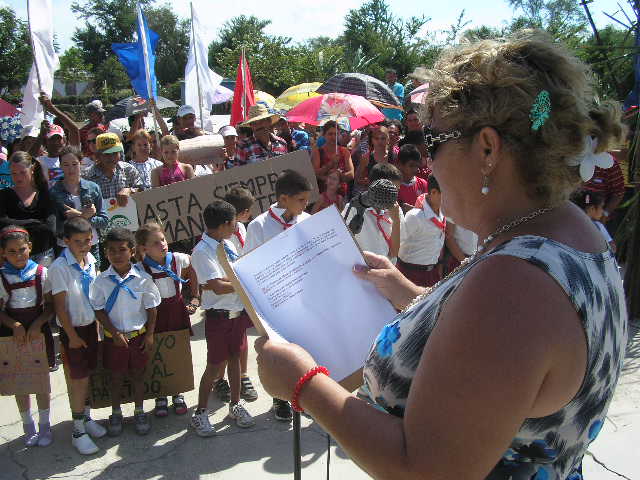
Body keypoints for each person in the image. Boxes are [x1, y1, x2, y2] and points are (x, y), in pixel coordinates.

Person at [254, 30, 628, 480]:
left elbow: (425, 470)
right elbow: (494, 350)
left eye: (434, 142)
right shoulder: (571, 231)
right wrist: (409, 293)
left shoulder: (515, 283)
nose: (428, 164)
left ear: (487, 148)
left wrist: (304, 383)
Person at [245, 170, 312, 422]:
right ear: (283, 199)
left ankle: (305, 396)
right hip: (273, 300)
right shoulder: (259, 226)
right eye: (301, 200)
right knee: (278, 350)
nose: (305, 205)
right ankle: (280, 399)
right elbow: (249, 264)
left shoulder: (307, 220)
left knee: (305, 347)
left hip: (304, 297)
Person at [190, 200, 256, 436]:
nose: (236, 226)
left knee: (235, 359)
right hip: (218, 318)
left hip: (236, 314)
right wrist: (244, 283)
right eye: (234, 223)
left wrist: (234, 281)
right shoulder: (202, 251)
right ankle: (200, 412)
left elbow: (234, 274)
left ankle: (235, 405)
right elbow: (218, 286)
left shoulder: (226, 245)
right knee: (214, 364)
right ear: (225, 224)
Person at [90, 228, 161, 437]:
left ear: (132, 251)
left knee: (138, 375)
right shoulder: (101, 281)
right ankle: (116, 412)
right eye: (111, 250)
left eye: (122, 250)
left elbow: (152, 308)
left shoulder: (143, 278)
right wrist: (113, 332)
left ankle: (139, 411)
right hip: (113, 340)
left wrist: (150, 335)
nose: (117, 255)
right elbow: (98, 309)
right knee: (115, 377)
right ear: (105, 253)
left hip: (138, 337)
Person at [48, 217, 106, 454]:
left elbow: (95, 294)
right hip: (73, 331)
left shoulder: (90, 259)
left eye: (87, 240)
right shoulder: (59, 268)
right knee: (78, 379)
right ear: (66, 241)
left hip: (90, 326)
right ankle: (78, 431)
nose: (84, 246)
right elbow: (60, 307)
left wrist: (99, 326)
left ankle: (87, 417)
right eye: (78, 241)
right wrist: (71, 336)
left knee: (89, 373)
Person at [0, 227, 54, 446]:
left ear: (30, 247)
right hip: (14, 335)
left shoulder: (42, 273)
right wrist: (14, 325)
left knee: (41, 381)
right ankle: (27, 425)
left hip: (38, 332)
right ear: (3, 253)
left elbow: (50, 306)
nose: (18, 255)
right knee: (19, 381)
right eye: (11, 251)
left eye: (22, 249)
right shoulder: (2, 276)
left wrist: (38, 324)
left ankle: (45, 425)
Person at [135, 222, 192, 417]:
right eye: (155, 243)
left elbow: (193, 263)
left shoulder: (177, 258)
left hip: (177, 311)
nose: (162, 244)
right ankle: (160, 395)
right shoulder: (140, 268)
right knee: (157, 352)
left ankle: (177, 392)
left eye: (163, 240)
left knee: (177, 350)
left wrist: (195, 295)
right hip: (154, 316)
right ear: (144, 248)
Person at [223, 187, 259, 403]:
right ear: (244, 212)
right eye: (249, 211)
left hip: (243, 292)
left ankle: (243, 375)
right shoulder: (223, 234)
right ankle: (221, 379)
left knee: (241, 335)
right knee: (222, 342)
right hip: (228, 293)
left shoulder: (243, 228)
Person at [50, 146, 108, 264]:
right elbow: (55, 228)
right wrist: (82, 216)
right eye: (66, 165)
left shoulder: (93, 188)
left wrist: (80, 216)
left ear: (80, 163)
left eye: (74, 164)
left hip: (91, 245)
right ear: (60, 166)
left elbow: (104, 221)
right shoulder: (54, 192)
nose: (71, 169)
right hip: (65, 247)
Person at [0, 152, 56, 266]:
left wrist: (16, 225)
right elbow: (2, 223)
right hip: (13, 257)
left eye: (22, 172)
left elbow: (50, 228)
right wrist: (34, 223)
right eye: (14, 173)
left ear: (32, 169)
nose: (18, 177)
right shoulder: (3, 195)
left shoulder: (44, 195)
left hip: (42, 255)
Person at [344, 163, 403, 260]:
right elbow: (344, 244)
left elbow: (394, 253)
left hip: (386, 267)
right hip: (361, 267)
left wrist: (396, 221)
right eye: (390, 191)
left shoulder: (396, 211)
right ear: (375, 187)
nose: (393, 196)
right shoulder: (354, 208)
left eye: (396, 191)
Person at [397, 176, 445, 287]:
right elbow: (398, 244)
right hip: (411, 273)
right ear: (434, 192)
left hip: (432, 273)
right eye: (446, 194)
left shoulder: (443, 213)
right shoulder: (415, 216)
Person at [83, 133, 142, 207]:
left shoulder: (128, 170)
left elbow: (141, 189)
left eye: (115, 153)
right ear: (98, 155)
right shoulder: (87, 177)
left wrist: (130, 190)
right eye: (107, 154)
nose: (112, 158)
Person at [311, 121, 354, 196]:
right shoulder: (318, 152)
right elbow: (315, 174)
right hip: (323, 195)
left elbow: (351, 174)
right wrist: (330, 164)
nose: (333, 137)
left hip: (341, 194)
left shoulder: (344, 151)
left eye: (336, 134)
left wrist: (338, 177)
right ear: (324, 135)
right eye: (330, 134)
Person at [583, 156, 625, 223]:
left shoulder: (609, 162)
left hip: (597, 215)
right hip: (577, 211)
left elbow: (618, 193)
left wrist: (605, 214)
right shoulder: (574, 160)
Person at [353, 126, 392, 196]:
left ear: (388, 139)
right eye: (376, 138)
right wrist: (367, 182)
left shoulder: (393, 156)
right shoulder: (366, 157)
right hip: (372, 196)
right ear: (372, 140)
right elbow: (357, 179)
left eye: (383, 138)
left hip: (389, 195)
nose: (380, 141)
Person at [396, 144, 429, 211]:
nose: (415, 169)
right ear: (400, 164)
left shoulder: (423, 184)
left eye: (417, 165)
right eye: (411, 165)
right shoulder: (393, 186)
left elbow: (429, 210)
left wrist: (413, 210)